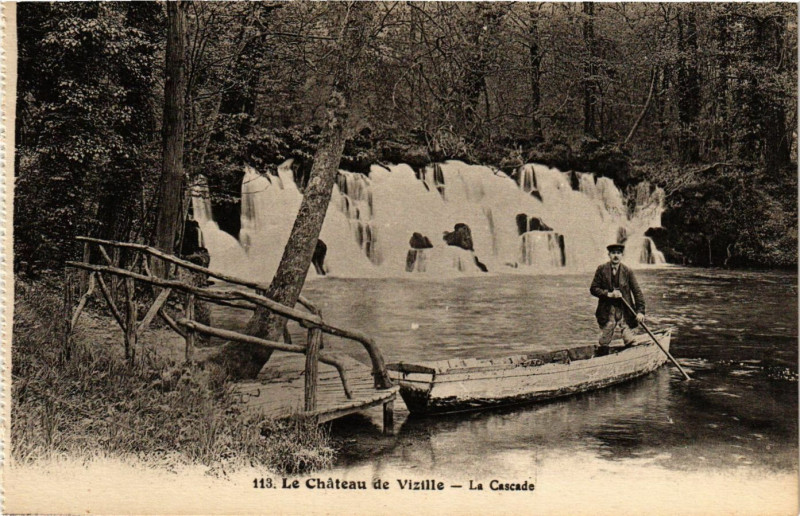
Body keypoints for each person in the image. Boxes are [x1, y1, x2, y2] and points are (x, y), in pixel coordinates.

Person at [590, 243, 646, 351]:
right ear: (609, 255)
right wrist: (608, 294)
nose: (616, 256)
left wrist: (640, 312)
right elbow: (593, 288)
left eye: (618, 253)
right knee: (603, 341)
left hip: (625, 310)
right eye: (613, 253)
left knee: (630, 340)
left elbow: (637, 292)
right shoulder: (601, 269)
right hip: (607, 310)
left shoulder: (628, 271)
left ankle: (632, 355)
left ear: (622, 255)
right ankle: (603, 355)